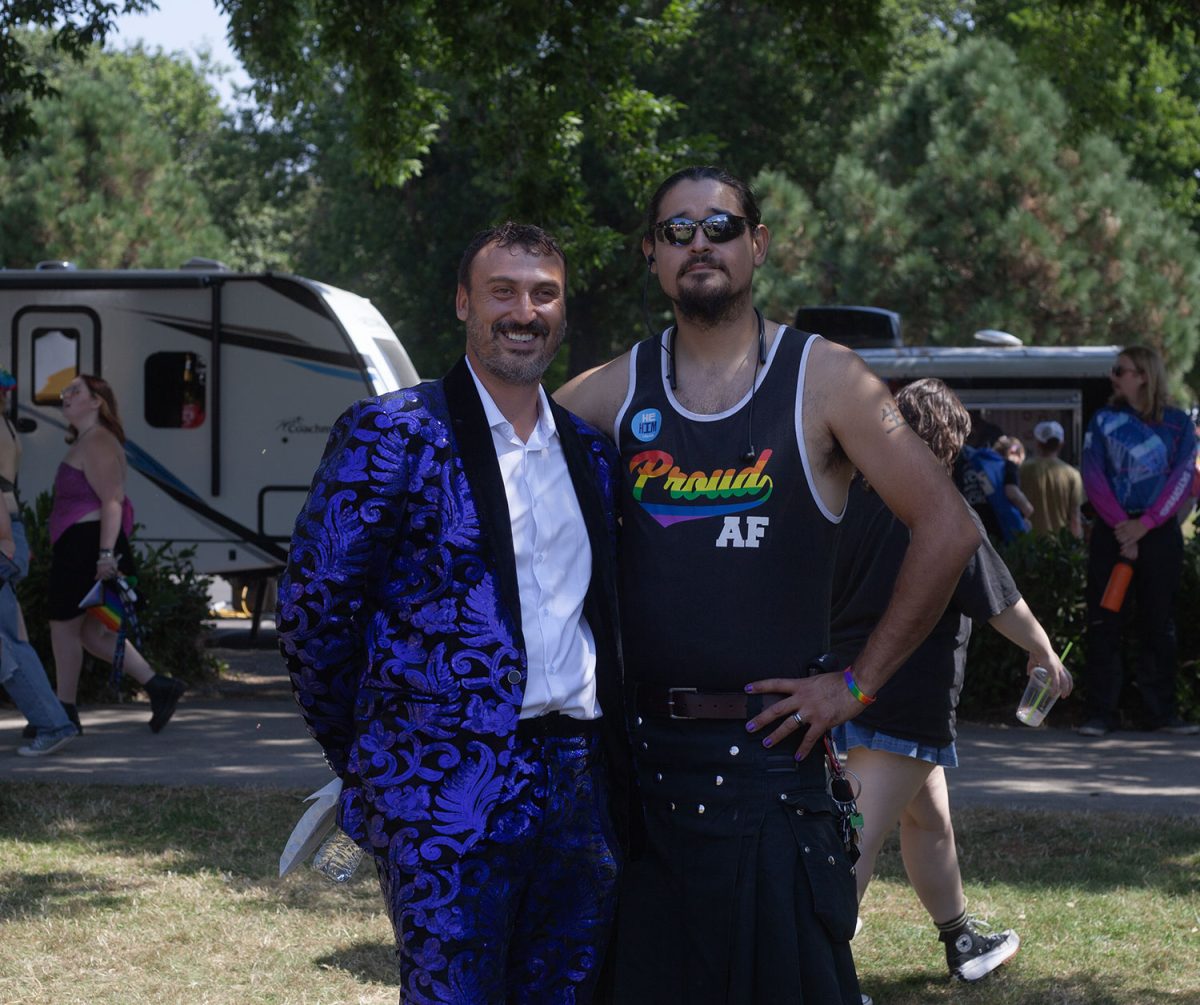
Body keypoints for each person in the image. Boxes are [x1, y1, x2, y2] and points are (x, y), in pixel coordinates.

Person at [556, 165, 979, 1005]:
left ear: (758, 243)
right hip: (641, 777)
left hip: (773, 778)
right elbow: (496, 473)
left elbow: (949, 527)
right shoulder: (609, 392)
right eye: (677, 231)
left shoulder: (828, 379)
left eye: (719, 226)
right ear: (651, 255)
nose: (699, 243)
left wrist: (856, 684)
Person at [278, 222, 630, 1003]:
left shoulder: (591, 452)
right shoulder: (393, 434)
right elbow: (311, 617)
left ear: (563, 313)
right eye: (502, 290)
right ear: (465, 301)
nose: (524, 310)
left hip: (576, 787)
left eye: (544, 294)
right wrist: (378, 757)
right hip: (441, 788)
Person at [830, 379, 1072, 989]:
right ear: (948, 443)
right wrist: (1044, 652)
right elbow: (1000, 599)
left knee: (929, 824)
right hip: (904, 701)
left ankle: (962, 941)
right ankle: (820, 976)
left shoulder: (847, 499)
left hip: (847, 688)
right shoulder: (939, 507)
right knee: (854, 843)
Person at [47, 375, 185, 734]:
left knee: (64, 627)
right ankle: (159, 687)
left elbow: (112, 500)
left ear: (97, 402)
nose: (67, 396)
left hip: (89, 545)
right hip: (85, 544)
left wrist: (106, 555)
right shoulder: (88, 440)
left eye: (76, 391)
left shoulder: (99, 442)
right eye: (66, 391)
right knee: (93, 633)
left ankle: (63, 712)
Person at [1077, 346, 1198, 737]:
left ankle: (1160, 713)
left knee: (1158, 622)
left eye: (1121, 370)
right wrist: (1121, 527)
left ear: (1144, 375)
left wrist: (1144, 526)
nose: (1114, 377)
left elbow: (1183, 479)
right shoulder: (1103, 419)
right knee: (1104, 621)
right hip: (1114, 533)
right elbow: (1093, 476)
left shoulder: (1179, 423)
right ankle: (1101, 713)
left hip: (1157, 534)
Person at [0, 370, 80, 756]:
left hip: (1, 534)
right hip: (8, 532)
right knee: (13, 639)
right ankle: (51, 720)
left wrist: (4, 540)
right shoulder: (6, 426)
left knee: (8, 644)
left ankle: (51, 722)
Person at [1020, 420, 1083, 537]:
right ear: (1061, 444)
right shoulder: (1072, 474)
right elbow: (1075, 517)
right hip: (1060, 545)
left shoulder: (1023, 470)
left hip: (1029, 543)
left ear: (1038, 443)